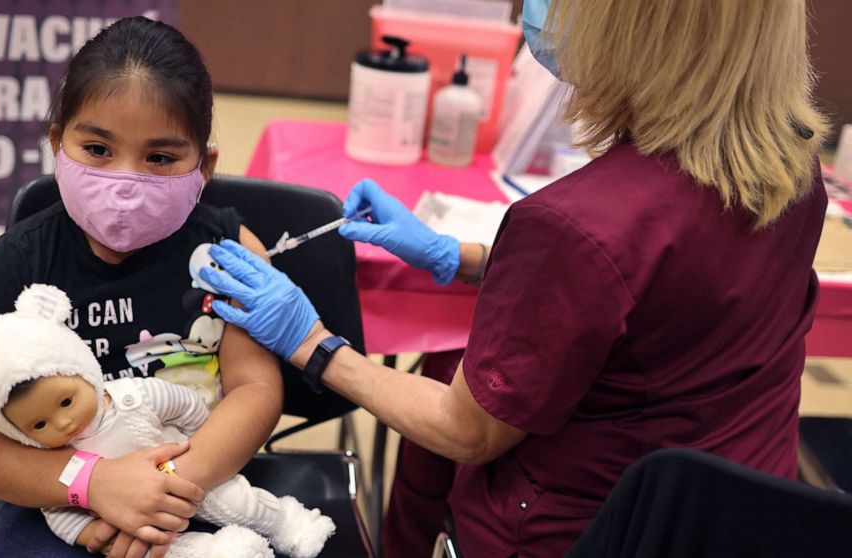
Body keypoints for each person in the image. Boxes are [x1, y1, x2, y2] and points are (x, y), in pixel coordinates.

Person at [196, 0, 830, 555]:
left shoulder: (575, 225)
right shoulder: (789, 164)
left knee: (444, 378)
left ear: (638, 28)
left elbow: (464, 430)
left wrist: (311, 341)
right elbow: (658, 292)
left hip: (589, 532)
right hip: (737, 514)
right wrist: (464, 257)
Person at [0, 17, 284, 558]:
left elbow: (255, 389)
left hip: (204, 479)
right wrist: (94, 483)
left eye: (161, 158)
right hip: (54, 492)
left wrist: (160, 488)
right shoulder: (18, 262)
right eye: (98, 149)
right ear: (57, 143)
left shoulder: (230, 251)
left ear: (205, 165)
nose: (125, 181)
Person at [0, 284, 335, 558]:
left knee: (236, 499)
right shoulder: (54, 459)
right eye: (38, 426)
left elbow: (184, 405)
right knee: (162, 548)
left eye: (67, 400)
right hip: (113, 515)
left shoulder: (130, 394)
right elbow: (59, 513)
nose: (63, 423)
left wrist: (199, 444)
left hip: (193, 470)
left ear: (83, 369)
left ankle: (288, 522)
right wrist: (94, 535)